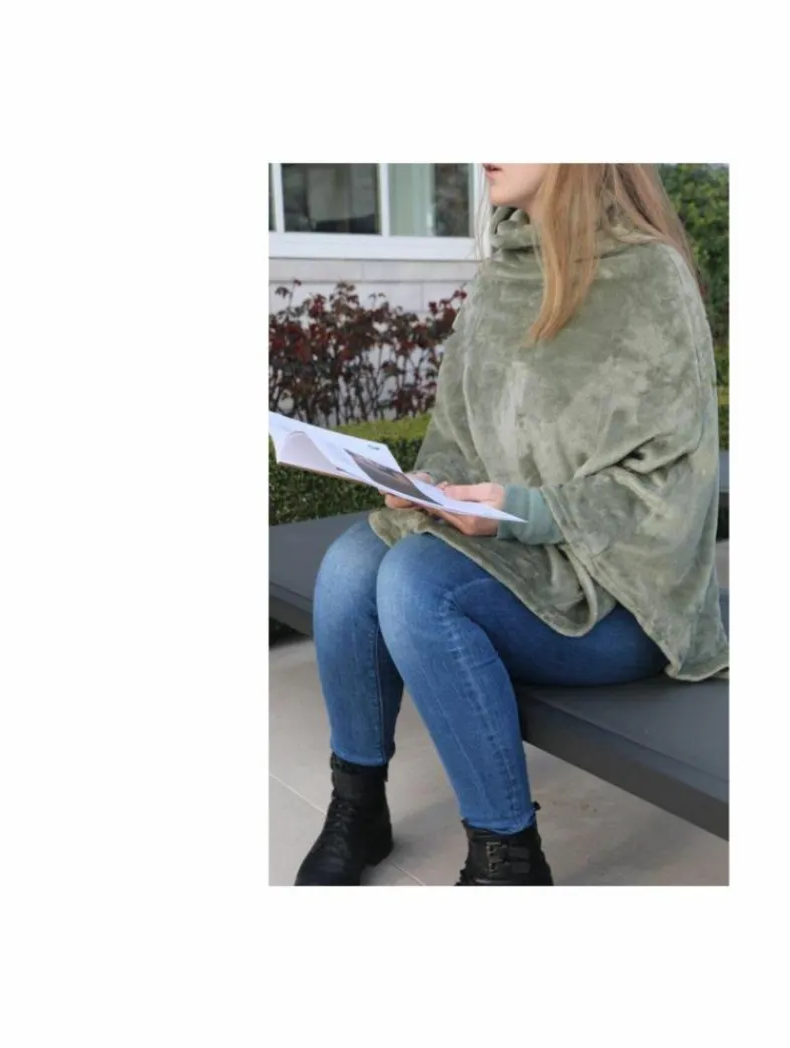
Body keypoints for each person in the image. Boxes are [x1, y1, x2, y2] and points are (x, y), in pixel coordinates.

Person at [295, 163, 728, 886]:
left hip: (625, 599)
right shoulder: (501, 277)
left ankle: (509, 857)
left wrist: (520, 512)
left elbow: (672, 491)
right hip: (527, 565)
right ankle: (358, 806)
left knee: (417, 584)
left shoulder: (649, 277)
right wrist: (432, 488)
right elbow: (458, 437)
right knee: (350, 563)